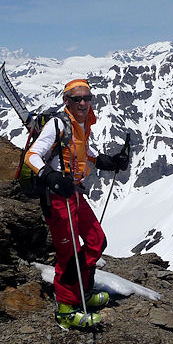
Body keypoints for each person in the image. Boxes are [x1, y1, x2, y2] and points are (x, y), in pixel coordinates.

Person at [25, 79, 129, 329]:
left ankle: (82, 291)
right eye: (77, 98)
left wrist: (105, 161)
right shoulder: (57, 123)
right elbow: (32, 156)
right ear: (66, 101)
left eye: (87, 98)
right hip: (57, 198)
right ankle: (66, 309)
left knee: (96, 240)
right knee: (68, 255)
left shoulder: (81, 124)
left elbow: (82, 151)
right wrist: (50, 177)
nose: (83, 103)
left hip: (73, 193)